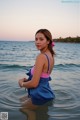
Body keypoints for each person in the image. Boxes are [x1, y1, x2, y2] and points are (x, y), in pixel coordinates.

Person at [18, 29, 55, 110]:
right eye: (36, 39)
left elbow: (34, 84)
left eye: (41, 39)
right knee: (21, 100)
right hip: (46, 92)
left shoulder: (41, 57)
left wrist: (22, 83)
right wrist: (28, 80)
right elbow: (44, 77)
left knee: (23, 110)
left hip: (39, 94)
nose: (37, 42)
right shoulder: (51, 55)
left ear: (48, 41)